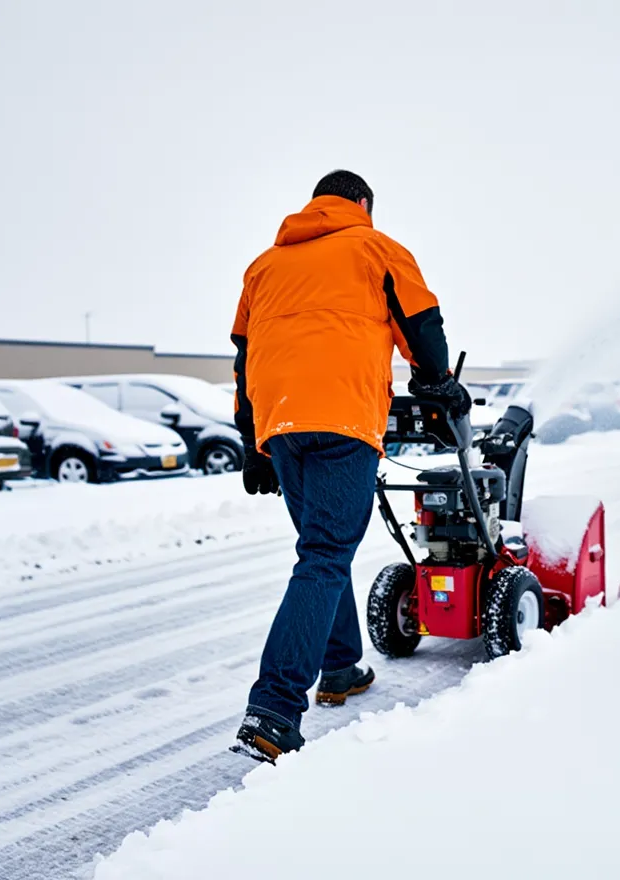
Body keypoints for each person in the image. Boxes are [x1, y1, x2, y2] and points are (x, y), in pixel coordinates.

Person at [229, 170, 471, 763]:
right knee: (325, 556)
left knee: (320, 551)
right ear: (362, 203)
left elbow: (243, 358)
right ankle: (274, 710)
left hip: (280, 426)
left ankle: (340, 667)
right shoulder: (376, 248)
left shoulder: (263, 267)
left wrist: (250, 440)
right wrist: (440, 385)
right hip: (341, 421)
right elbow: (422, 324)